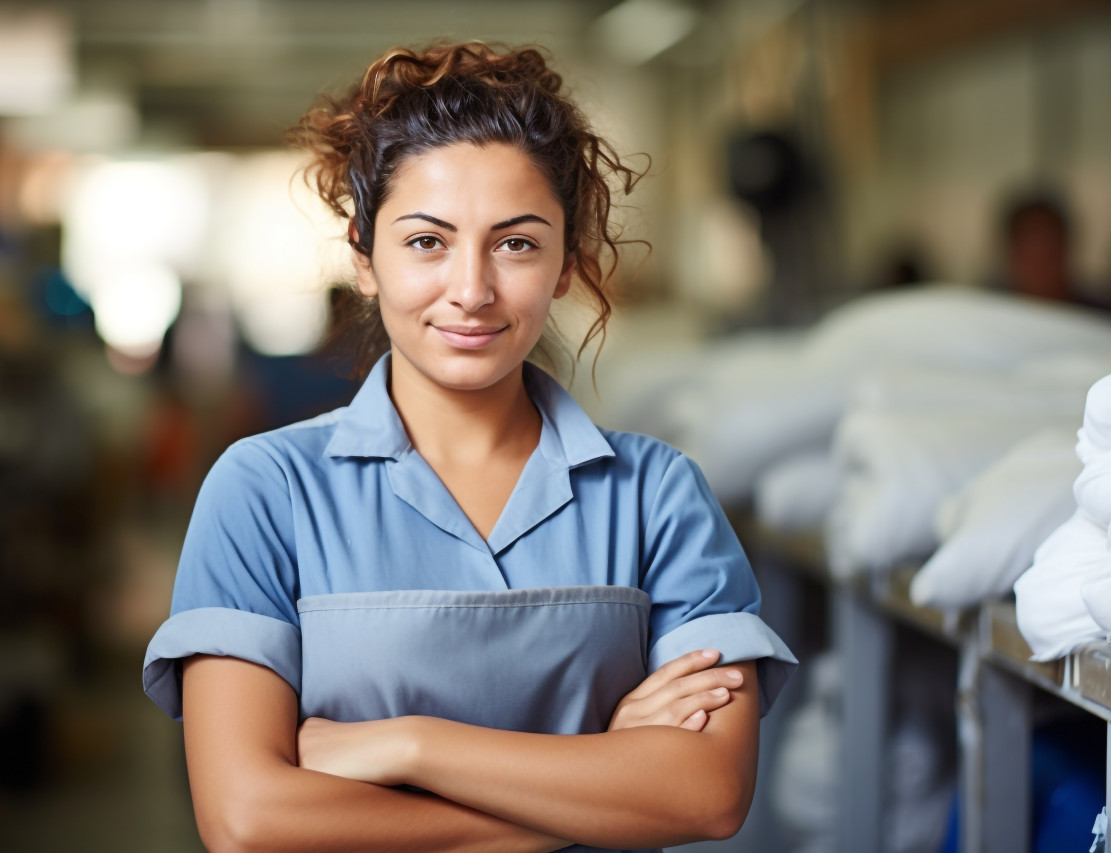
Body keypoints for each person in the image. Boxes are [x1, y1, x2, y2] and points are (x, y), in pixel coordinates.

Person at [142, 42, 795, 853]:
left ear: (566, 264)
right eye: (427, 241)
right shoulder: (265, 490)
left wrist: (411, 745)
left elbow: (707, 793)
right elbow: (248, 820)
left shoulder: (657, 494)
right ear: (364, 257)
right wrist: (600, 775)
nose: (472, 290)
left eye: (516, 243)